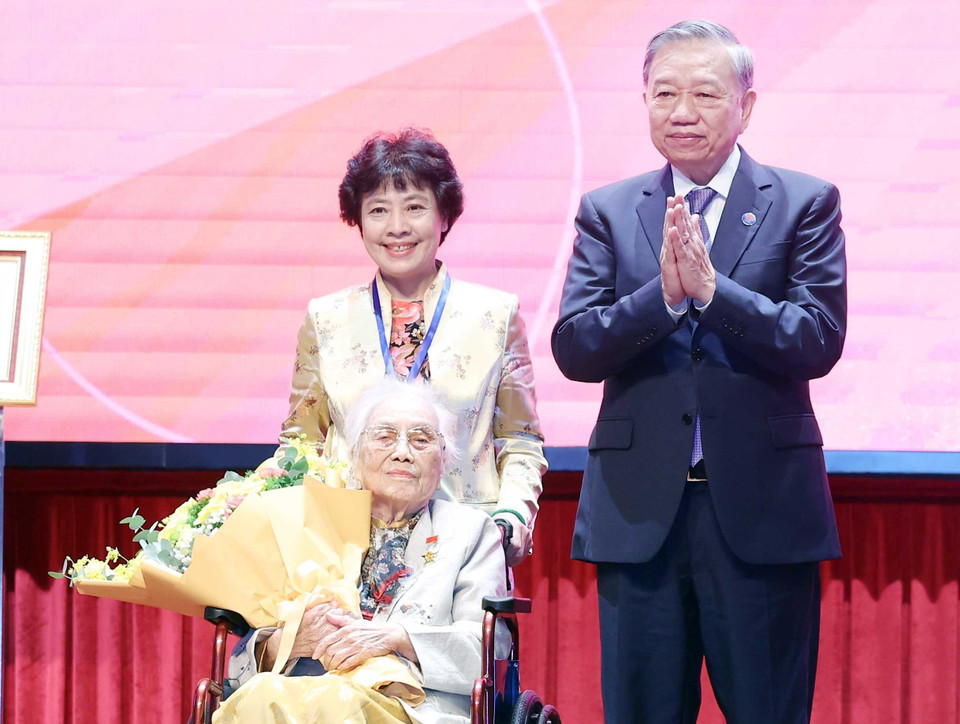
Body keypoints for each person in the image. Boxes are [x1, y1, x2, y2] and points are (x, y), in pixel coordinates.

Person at [551, 20, 846, 724]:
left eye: (705, 94)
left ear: (746, 104)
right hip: (639, 514)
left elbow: (818, 339)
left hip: (761, 510)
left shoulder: (803, 203)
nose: (682, 112)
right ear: (645, 100)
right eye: (664, 94)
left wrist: (716, 295)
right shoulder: (609, 212)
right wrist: (664, 298)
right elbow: (575, 347)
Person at [275, 128, 546, 566]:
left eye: (415, 207)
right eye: (378, 210)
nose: (397, 227)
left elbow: (519, 440)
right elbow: (300, 443)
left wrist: (510, 517)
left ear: (444, 216)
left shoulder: (495, 315)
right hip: (345, 549)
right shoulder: (325, 318)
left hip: (464, 548)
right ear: (358, 221)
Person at [217, 379, 508, 723]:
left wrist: (396, 638)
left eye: (421, 440)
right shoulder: (312, 524)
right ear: (354, 455)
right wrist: (288, 642)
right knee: (257, 698)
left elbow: (489, 653)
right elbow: (240, 669)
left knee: (335, 700)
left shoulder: (471, 532)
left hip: (412, 707)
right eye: (384, 437)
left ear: (443, 460)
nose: (402, 452)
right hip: (297, 697)